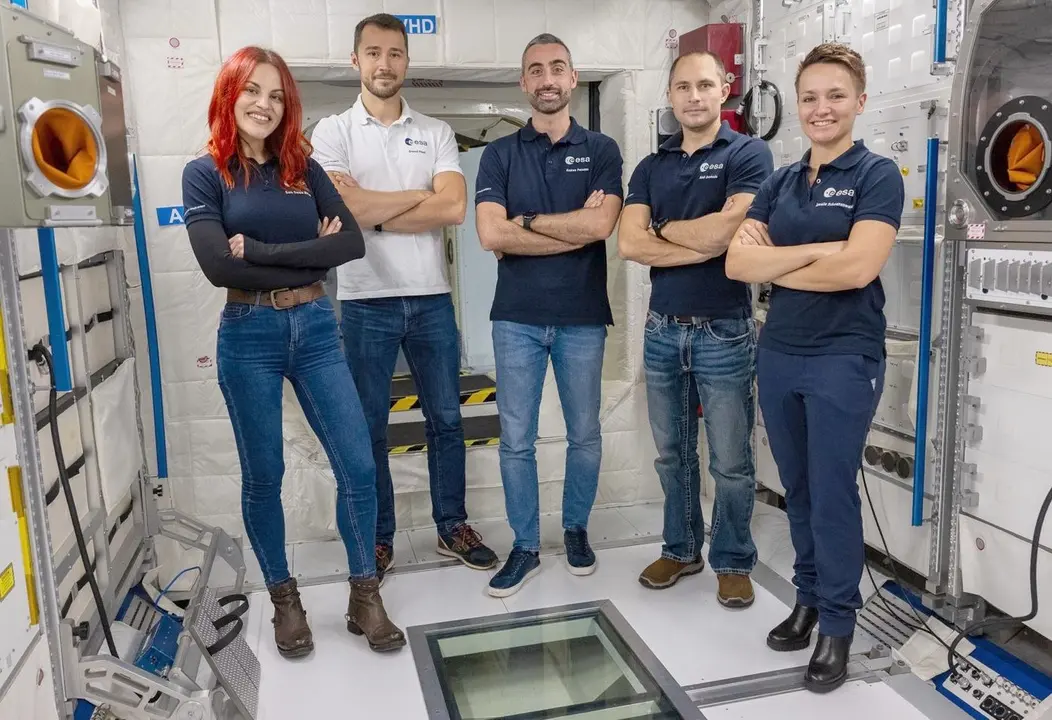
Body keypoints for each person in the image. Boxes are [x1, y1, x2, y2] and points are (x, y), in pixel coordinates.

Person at [181, 45, 406, 657]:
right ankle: (284, 599)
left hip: (314, 325)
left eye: (277, 94)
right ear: (231, 94)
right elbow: (213, 265)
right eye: (253, 90)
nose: (265, 103)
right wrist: (308, 246)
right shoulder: (205, 173)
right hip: (248, 333)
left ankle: (365, 595)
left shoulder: (300, 168)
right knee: (265, 475)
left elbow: (351, 245)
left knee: (357, 465)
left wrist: (255, 251)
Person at [725, 43, 904, 693]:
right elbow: (737, 266)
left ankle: (837, 623)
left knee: (831, 495)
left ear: (859, 102)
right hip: (780, 354)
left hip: (843, 356)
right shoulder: (779, 179)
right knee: (795, 486)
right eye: (809, 97)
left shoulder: (877, 176)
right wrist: (822, 249)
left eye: (834, 96)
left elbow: (860, 267)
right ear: (796, 105)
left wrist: (787, 255)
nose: (820, 108)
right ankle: (807, 596)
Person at [310, 13, 498, 583]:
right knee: (370, 427)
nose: (384, 64)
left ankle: (451, 525)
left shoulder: (437, 131)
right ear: (356, 61)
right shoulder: (332, 132)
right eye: (373, 53)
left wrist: (374, 209)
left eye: (394, 53)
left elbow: (454, 209)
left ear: (406, 62)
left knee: (446, 419)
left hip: (432, 301)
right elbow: (346, 212)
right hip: (365, 301)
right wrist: (411, 200)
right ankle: (380, 534)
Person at [618, 51, 773, 606]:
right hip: (662, 330)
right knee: (672, 453)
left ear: (726, 88)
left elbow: (729, 234)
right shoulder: (651, 166)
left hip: (725, 330)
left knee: (731, 459)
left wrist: (664, 229)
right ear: (671, 93)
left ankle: (732, 559)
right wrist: (694, 236)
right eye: (683, 86)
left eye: (705, 85)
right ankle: (681, 550)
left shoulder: (749, 153)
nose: (694, 96)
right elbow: (630, 244)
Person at [474, 33, 624, 597]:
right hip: (516, 318)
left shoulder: (603, 150)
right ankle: (526, 546)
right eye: (535, 70)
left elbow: (601, 227)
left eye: (557, 68)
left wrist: (527, 223)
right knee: (516, 439)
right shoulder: (499, 154)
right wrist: (566, 226)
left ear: (571, 76)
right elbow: (491, 232)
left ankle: (577, 529)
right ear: (523, 82)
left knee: (584, 433)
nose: (547, 79)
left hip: (582, 317)